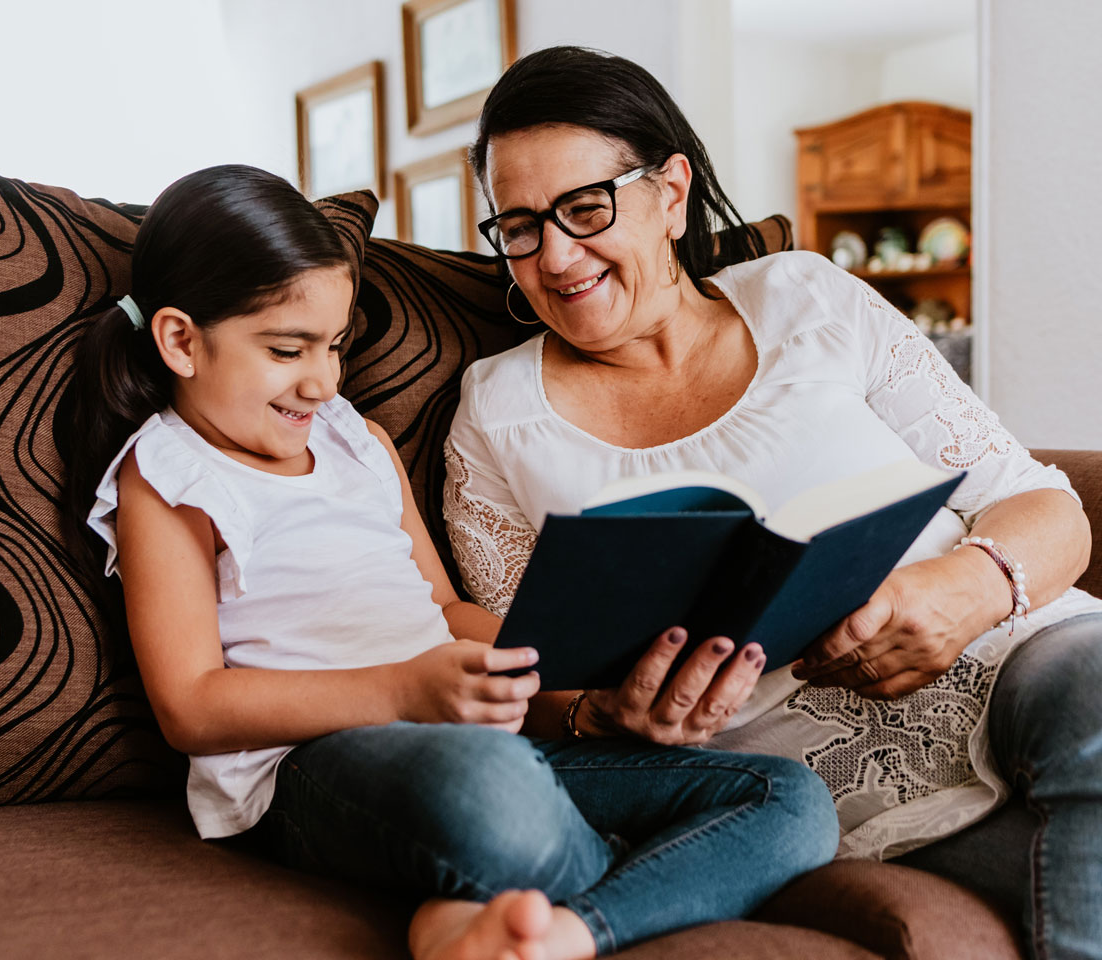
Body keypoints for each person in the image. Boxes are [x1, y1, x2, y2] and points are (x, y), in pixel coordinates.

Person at [60, 164, 838, 960]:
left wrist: (559, 661)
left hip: (469, 731)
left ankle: (560, 931)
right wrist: (402, 688)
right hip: (315, 762)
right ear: (181, 341)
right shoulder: (168, 477)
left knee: (789, 794)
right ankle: (610, 884)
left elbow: (442, 606)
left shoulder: (352, 438)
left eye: (333, 346)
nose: (323, 380)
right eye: (287, 349)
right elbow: (190, 705)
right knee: (486, 787)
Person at [443, 45, 1102, 960]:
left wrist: (969, 588)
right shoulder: (496, 416)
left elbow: (1045, 506)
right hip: (817, 782)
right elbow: (522, 665)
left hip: (1028, 670)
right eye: (519, 227)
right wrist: (602, 713)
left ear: (670, 192)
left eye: (585, 209)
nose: (555, 256)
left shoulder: (805, 296)